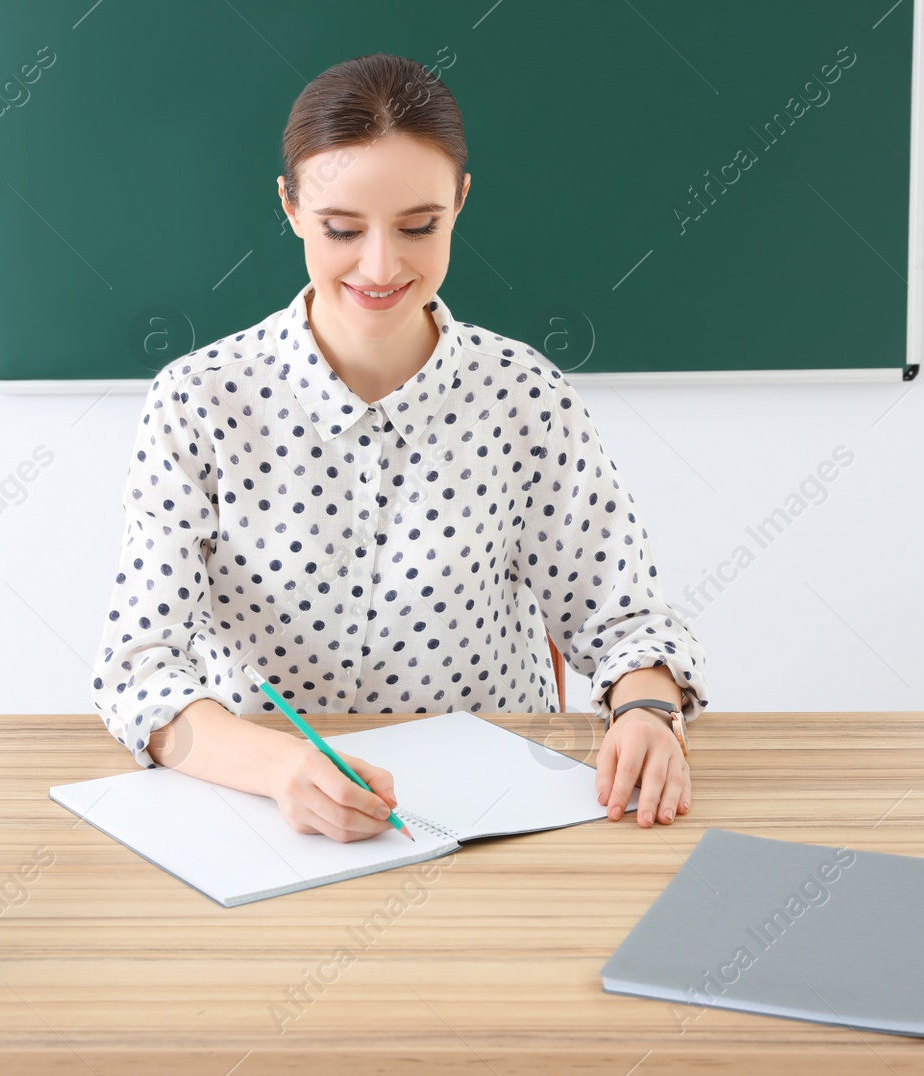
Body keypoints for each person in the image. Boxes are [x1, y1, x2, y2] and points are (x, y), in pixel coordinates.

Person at [90, 53, 709, 843]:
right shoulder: (198, 400)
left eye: (420, 226)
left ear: (461, 201)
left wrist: (648, 708)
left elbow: (623, 621)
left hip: (494, 818)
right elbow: (138, 672)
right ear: (289, 207)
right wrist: (279, 768)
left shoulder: (526, 395)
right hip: (260, 817)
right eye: (342, 229)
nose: (381, 266)